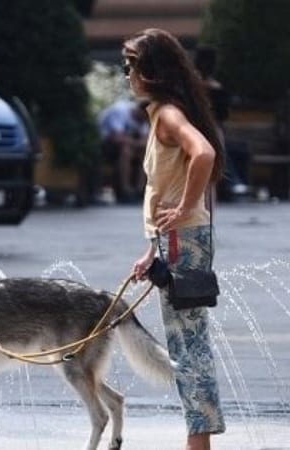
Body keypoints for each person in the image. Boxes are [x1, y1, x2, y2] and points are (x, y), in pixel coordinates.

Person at [125, 29, 226, 450]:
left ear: (151, 72)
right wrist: (153, 247)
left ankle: (198, 444)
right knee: (188, 345)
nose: (127, 74)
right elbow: (168, 185)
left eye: (131, 66)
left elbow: (204, 153)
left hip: (184, 238)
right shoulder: (163, 113)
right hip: (179, 240)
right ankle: (198, 441)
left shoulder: (168, 114)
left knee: (189, 349)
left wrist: (183, 210)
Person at [194, 45, 251, 199]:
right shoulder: (203, 87)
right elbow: (222, 115)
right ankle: (234, 182)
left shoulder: (195, 85)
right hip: (196, 130)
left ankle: (233, 183)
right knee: (219, 144)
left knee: (223, 145)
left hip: (207, 130)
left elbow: (222, 115)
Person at [97, 98, 150, 203]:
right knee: (126, 150)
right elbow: (117, 138)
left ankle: (139, 191)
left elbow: (146, 141)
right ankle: (125, 191)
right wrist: (137, 143)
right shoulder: (120, 111)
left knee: (145, 152)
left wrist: (138, 144)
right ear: (140, 111)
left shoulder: (144, 119)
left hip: (127, 146)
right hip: (103, 144)